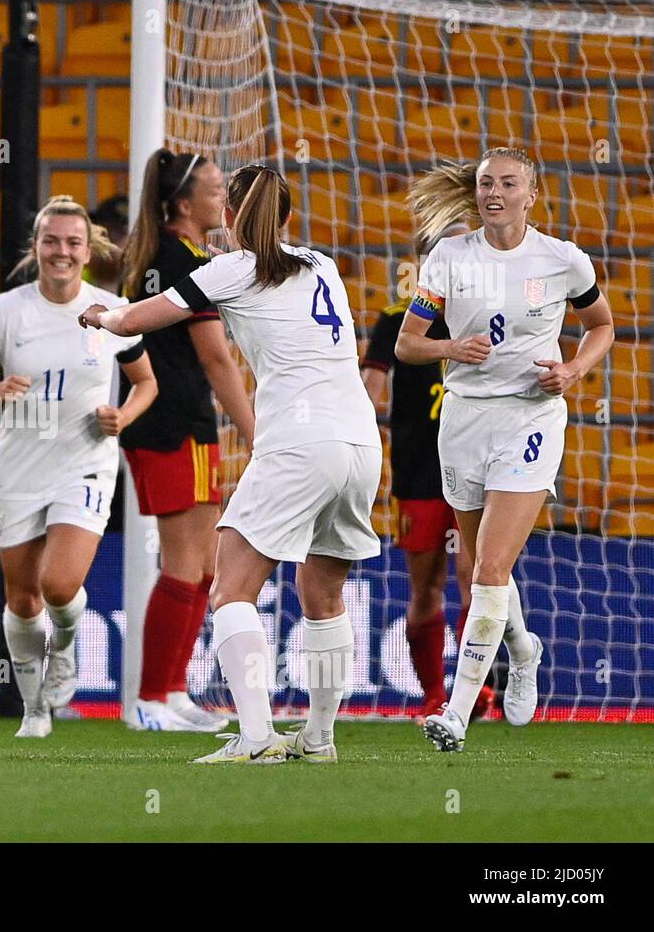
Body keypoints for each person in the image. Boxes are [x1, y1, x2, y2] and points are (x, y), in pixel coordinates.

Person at [80, 164, 382, 764]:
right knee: (323, 594)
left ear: (234, 214)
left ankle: (255, 736)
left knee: (231, 589)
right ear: (289, 215)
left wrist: (102, 315)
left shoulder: (229, 269)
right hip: (360, 442)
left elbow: (137, 318)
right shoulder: (322, 266)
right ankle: (319, 740)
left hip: (299, 441)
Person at [398, 147, 614, 752]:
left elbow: (603, 326)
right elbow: (408, 345)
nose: (494, 191)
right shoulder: (449, 256)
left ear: (531, 194)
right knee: (477, 565)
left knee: (488, 569)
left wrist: (572, 370)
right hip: (464, 420)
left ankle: (457, 713)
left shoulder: (561, 259)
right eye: (486, 183)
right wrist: (450, 349)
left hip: (531, 419)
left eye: (507, 183)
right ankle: (523, 648)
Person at [0, 195, 157, 737]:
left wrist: (124, 416)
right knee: (22, 598)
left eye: (73, 242)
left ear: (88, 250)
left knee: (59, 585)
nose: (61, 252)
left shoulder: (109, 310)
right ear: (37, 247)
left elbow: (146, 382)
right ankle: (36, 709)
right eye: (51, 241)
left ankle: (64, 647)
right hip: (19, 468)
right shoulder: (7, 309)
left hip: (85, 463)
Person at [117, 149, 256, 732]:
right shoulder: (182, 260)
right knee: (183, 564)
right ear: (183, 203)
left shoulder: (169, 254)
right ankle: (150, 698)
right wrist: (257, 433)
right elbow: (217, 359)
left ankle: (172, 692)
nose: (223, 200)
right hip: (173, 423)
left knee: (200, 565)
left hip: (180, 422)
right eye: (215, 189)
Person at [360, 224, 487, 720]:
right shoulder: (396, 320)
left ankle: (469, 693)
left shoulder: (487, 316)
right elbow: (370, 387)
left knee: (474, 577)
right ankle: (434, 695)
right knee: (426, 585)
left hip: (479, 466)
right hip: (418, 471)